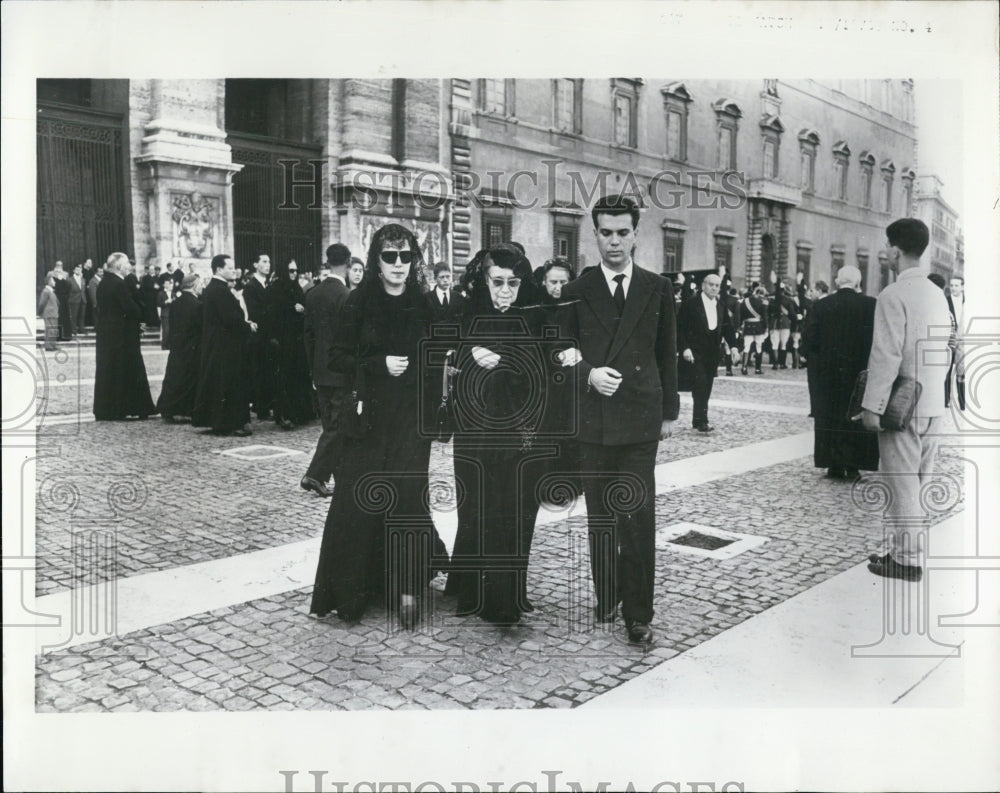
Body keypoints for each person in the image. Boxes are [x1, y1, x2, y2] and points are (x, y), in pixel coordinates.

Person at [310, 223, 448, 628]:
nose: (399, 264)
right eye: (390, 256)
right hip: (367, 419)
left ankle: (404, 589)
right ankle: (350, 591)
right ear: (376, 259)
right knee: (359, 498)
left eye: (406, 256)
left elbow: (439, 350)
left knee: (406, 498)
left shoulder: (423, 304)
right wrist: (376, 364)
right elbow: (336, 357)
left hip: (409, 420)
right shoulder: (358, 302)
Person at [558, 195, 678, 647]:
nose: (614, 242)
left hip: (640, 421)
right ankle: (607, 593)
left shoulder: (657, 287)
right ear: (595, 234)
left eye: (622, 232)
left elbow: (666, 351)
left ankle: (638, 612)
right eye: (606, 233)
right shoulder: (577, 291)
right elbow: (560, 353)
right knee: (600, 515)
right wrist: (588, 373)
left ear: (636, 234)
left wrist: (669, 412)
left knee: (636, 513)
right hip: (593, 420)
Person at [444, 245, 555, 626]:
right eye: (498, 283)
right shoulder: (469, 314)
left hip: (520, 433)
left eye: (513, 283)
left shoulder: (534, 318)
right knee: (478, 509)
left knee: (514, 515)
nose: (505, 292)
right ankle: (475, 591)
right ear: (485, 282)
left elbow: (545, 376)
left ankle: (506, 599)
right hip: (476, 435)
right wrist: (470, 351)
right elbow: (448, 353)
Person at [856, 219, 951, 583]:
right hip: (932, 404)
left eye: (887, 247)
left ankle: (908, 560)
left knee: (902, 485)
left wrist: (872, 406)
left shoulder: (892, 295)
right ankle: (900, 551)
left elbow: (886, 355)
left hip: (902, 405)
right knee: (919, 484)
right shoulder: (936, 294)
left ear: (895, 250)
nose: (886, 253)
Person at [806, 265, 878, 480]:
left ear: (837, 282)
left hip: (829, 374)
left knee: (831, 416)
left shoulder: (821, 306)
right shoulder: (871, 305)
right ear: (858, 283)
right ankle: (854, 464)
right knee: (855, 416)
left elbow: (810, 341)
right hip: (860, 373)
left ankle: (834, 464)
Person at [301, 244, 352, 497]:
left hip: (320, 371)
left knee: (329, 425)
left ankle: (339, 474)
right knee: (337, 427)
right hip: (341, 372)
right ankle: (315, 474)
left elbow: (308, 337)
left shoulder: (312, 294)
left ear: (327, 262)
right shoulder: (346, 296)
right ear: (348, 262)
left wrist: (313, 369)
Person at [192, 254, 255, 437]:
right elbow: (230, 318)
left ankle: (220, 421)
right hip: (225, 345)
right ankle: (231, 422)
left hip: (219, 343)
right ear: (219, 269)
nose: (233, 270)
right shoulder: (219, 290)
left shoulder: (215, 288)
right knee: (228, 383)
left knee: (219, 382)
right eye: (229, 267)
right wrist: (248, 326)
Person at [93, 252, 156, 421]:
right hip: (122, 336)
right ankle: (128, 408)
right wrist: (141, 315)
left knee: (108, 372)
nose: (129, 266)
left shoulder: (103, 283)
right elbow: (131, 308)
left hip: (107, 335)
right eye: (127, 263)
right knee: (123, 371)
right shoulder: (119, 284)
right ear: (119, 266)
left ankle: (107, 409)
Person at [677, 273, 736, 433]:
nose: (714, 288)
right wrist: (684, 348)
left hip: (712, 354)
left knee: (707, 386)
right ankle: (701, 420)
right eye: (711, 285)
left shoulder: (721, 305)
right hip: (695, 353)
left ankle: (699, 420)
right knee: (700, 384)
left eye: (717, 286)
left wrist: (734, 346)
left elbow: (728, 328)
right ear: (703, 285)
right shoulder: (691, 304)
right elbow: (679, 328)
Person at [265, 258, 315, 429]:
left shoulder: (295, 288)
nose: (294, 274)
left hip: (297, 339)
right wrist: (292, 308)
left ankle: (300, 413)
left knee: (298, 376)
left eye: (296, 271)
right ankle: (284, 414)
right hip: (283, 340)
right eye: (290, 271)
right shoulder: (275, 289)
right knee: (285, 378)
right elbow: (272, 314)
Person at [157, 274, 203, 422]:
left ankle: (167, 408)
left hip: (177, 346)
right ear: (194, 286)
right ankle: (183, 410)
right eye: (200, 284)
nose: (201, 286)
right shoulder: (197, 304)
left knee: (173, 376)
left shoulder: (176, 302)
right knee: (188, 378)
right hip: (191, 346)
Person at [242, 252, 273, 421]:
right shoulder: (251, 286)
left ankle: (265, 405)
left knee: (266, 370)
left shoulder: (266, 284)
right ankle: (262, 407)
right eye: (264, 261)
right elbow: (255, 312)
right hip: (260, 334)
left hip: (267, 335)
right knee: (260, 371)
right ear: (256, 265)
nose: (268, 265)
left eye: (268, 262)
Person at [767, 281, 796, 369]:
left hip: (774, 323)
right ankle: (782, 364)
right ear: (784, 290)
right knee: (783, 344)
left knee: (774, 344)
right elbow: (792, 314)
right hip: (785, 323)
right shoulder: (788, 300)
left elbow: (768, 312)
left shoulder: (772, 300)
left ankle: (775, 363)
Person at [739, 285, 768, 375]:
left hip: (748, 326)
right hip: (758, 327)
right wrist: (765, 327)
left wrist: (741, 325)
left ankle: (744, 367)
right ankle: (757, 369)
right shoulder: (762, 303)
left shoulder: (744, 302)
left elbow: (741, 315)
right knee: (759, 347)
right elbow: (765, 317)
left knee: (746, 347)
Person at [37, 275, 60, 351]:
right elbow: (42, 303)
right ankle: (48, 346)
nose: (55, 282)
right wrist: (40, 312)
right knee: (50, 329)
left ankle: (53, 345)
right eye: (53, 280)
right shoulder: (46, 291)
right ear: (49, 282)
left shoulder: (51, 291)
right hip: (49, 314)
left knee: (54, 330)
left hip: (54, 313)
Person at [53, 265, 73, 340]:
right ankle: (57, 337)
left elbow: (68, 292)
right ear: (54, 272)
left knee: (64, 319)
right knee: (57, 320)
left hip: (64, 304)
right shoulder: (52, 281)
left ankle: (66, 336)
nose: (58, 273)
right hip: (56, 303)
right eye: (56, 271)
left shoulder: (66, 282)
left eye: (59, 271)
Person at [67, 263, 86, 336]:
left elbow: (83, 290)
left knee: (82, 315)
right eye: (77, 269)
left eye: (80, 269)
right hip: (73, 300)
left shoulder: (83, 279)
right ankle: (73, 330)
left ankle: (82, 329)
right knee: (74, 316)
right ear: (73, 270)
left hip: (83, 299)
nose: (78, 271)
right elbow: (67, 291)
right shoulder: (69, 280)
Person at [140, 263, 160, 327]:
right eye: (150, 269)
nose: (152, 270)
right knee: (149, 309)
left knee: (155, 309)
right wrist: (152, 286)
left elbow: (159, 286)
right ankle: (149, 322)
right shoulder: (145, 278)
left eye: (153, 269)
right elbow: (144, 287)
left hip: (155, 296)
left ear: (154, 270)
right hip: (148, 296)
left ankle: (156, 322)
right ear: (149, 270)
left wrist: (158, 287)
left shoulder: (157, 277)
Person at [158, 279, 175, 350]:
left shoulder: (173, 293)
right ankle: (164, 345)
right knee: (166, 330)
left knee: (171, 330)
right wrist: (166, 302)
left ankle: (169, 345)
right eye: (166, 283)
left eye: (169, 283)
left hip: (172, 314)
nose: (168, 285)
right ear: (164, 285)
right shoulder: (161, 293)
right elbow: (158, 303)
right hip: (165, 314)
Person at [86, 262, 103, 330]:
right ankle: (97, 328)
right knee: (97, 315)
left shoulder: (102, 279)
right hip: (97, 302)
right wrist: (95, 303)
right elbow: (93, 293)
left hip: (102, 302)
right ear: (96, 272)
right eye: (100, 272)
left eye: (102, 271)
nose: (101, 273)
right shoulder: (92, 281)